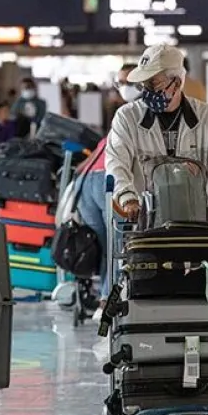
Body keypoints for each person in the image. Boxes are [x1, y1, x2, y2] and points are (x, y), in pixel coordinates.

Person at [105, 44, 208, 221]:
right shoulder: (127, 118)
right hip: (146, 223)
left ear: (176, 82)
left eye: (153, 82)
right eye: (143, 83)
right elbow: (116, 163)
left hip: (198, 220)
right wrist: (127, 197)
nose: (146, 90)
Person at [78, 75, 144, 313]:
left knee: (102, 245)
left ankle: (98, 295)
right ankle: (108, 300)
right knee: (117, 246)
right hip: (108, 182)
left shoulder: (122, 117)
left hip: (86, 184)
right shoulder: (139, 116)